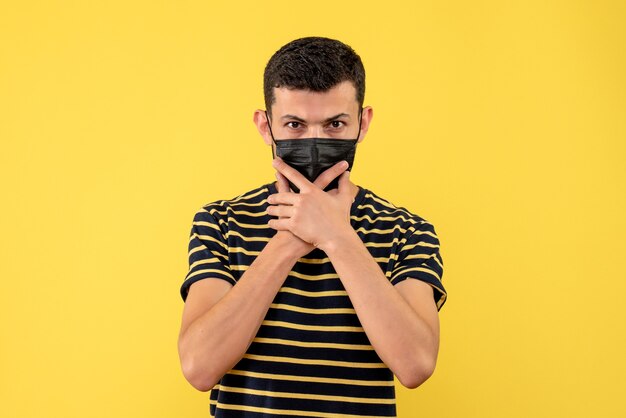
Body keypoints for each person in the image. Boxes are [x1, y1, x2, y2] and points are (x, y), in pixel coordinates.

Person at [177, 36, 447, 418]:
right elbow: (199, 367)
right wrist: (288, 241)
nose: (315, 141)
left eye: (335, 124)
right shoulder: (221, 222)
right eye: (294, 124)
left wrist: (336, 237)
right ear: (265, 126)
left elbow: (416, 364)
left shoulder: (407, 231)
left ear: (363, 122)